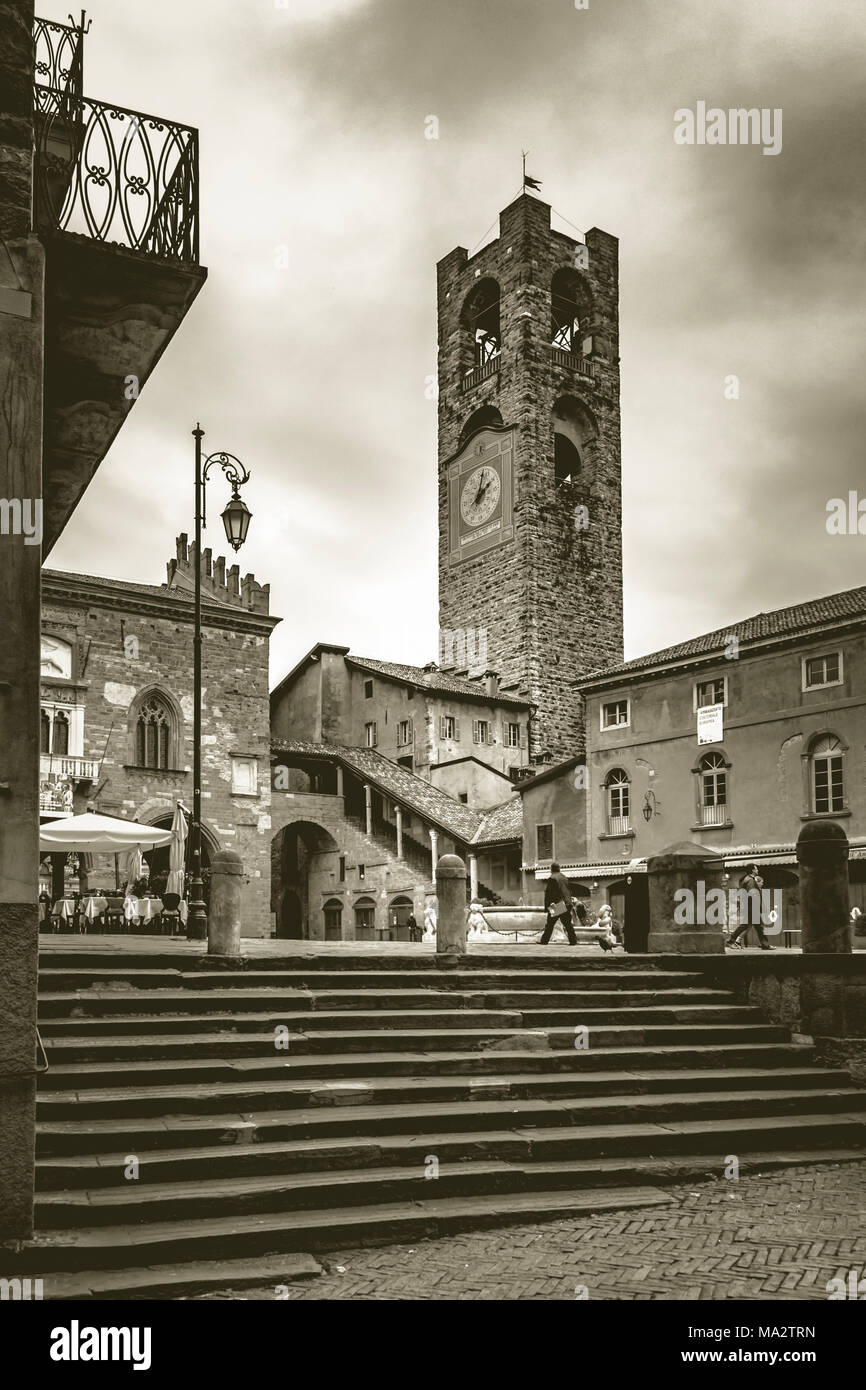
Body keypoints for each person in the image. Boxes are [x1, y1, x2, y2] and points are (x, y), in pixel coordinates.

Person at [728, 864, 770, 950]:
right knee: (749, 926)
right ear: (752, 870)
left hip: (749, 906)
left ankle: (765, 945)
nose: (757, 870)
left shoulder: (746, 879)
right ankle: (731, 941)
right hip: (751, 907)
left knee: (757, 926)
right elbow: (752, 893)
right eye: (756, 869)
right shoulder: (750, 880)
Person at [541, 863, 578, 945]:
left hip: (558, 905)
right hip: (567, 903)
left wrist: (549, 905)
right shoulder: (564, 878)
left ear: (551, 869)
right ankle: (573, 941)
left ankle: (544, 941)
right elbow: (568, 891)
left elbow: (550, 893)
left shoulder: (552, 878)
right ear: (559, 869)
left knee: (550, 923)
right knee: (567, 923)